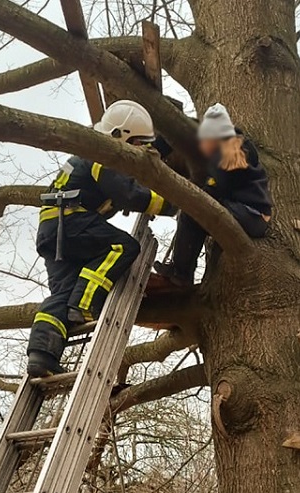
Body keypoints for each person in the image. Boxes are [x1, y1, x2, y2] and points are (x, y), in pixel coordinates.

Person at [27, 100, 176, 377]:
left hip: (55, 231)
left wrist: (166, 145)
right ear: (120, 135)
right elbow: (129, 193)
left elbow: (135, 170)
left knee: (62, 293)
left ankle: (41, 355)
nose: (141, 149)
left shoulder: (91, 153)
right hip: (70, 223)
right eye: (138, 142)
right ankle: (85, 305)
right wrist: (174, 204)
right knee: (124, 247)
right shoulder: (101, 154)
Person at [154, 103, 272, 286]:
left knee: (195, 208)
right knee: (190, 216)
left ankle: (182, 272)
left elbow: (224, 179)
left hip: (252, 214)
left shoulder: (236, 144)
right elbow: (179, 135)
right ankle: (180, 272)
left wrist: (205, 184)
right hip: (234, 208)